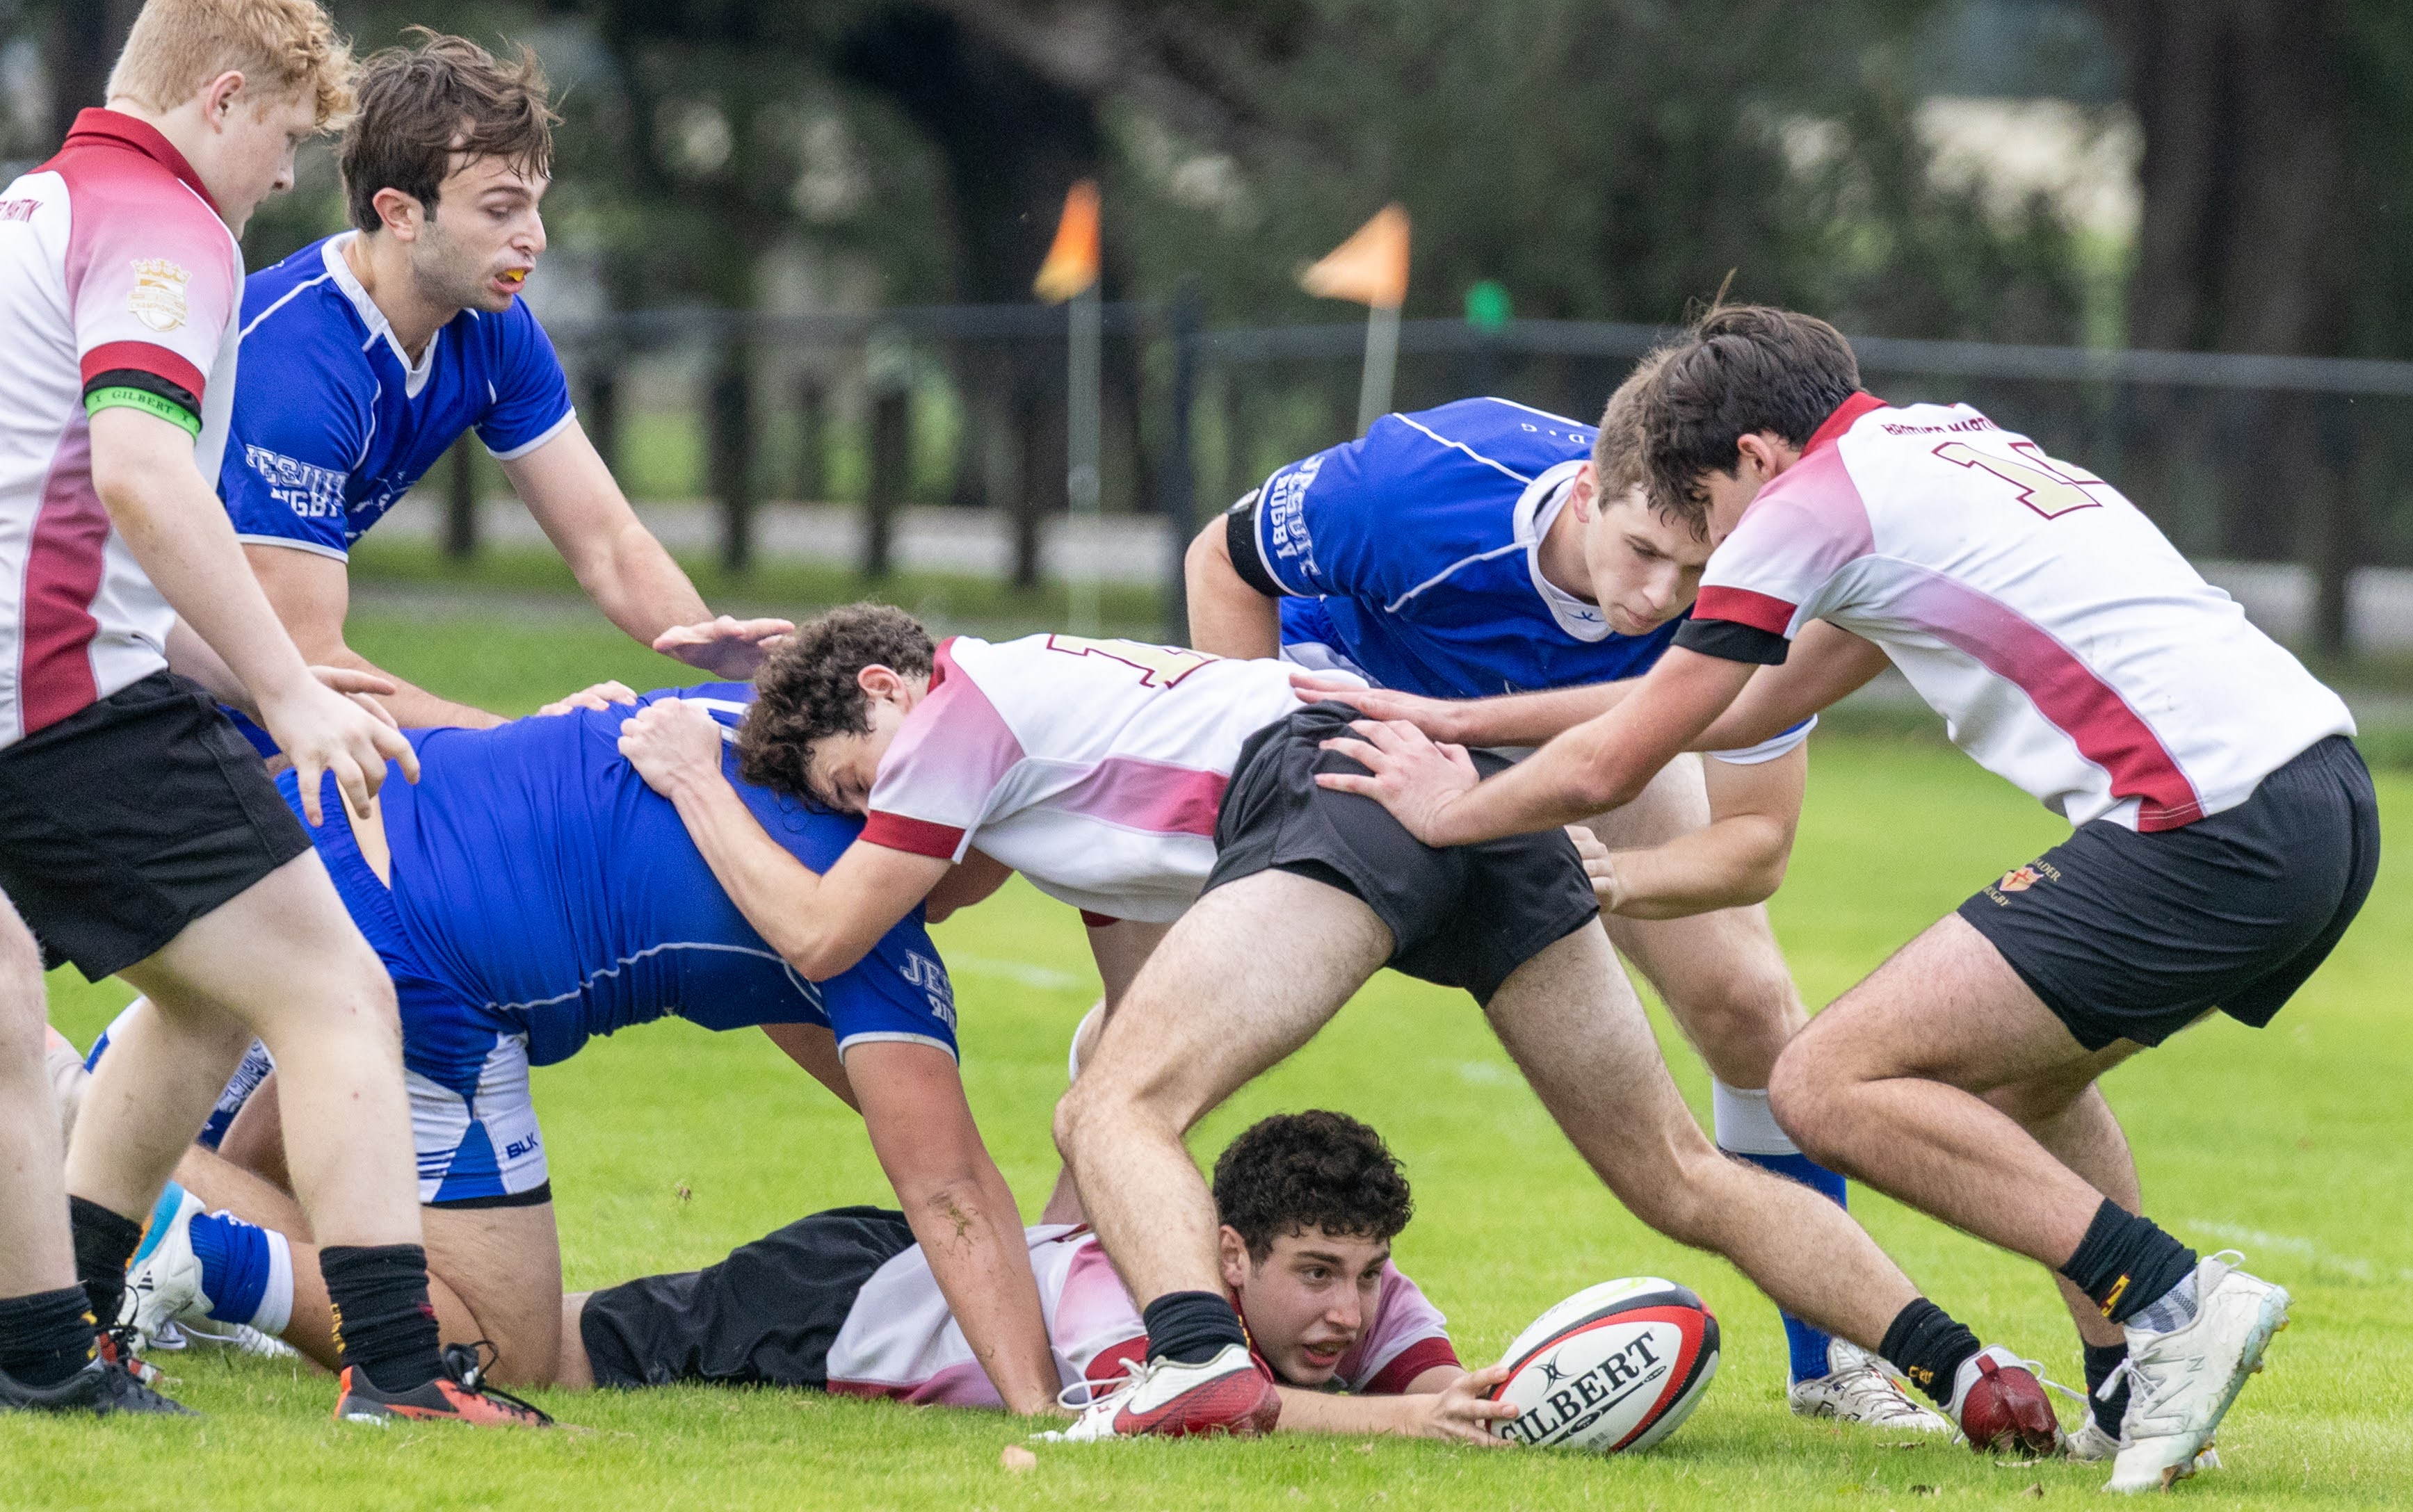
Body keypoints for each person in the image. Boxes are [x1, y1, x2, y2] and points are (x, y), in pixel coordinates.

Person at [1309, 305, 2375, 1493]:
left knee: (1819, 1081)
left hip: (2203, 823)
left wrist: (1441, 806)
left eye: (1706, 517)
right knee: (2026, 1081)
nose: (1708, 555)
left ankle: (2174, 1297)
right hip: (2319, 800)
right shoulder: (1939, 443)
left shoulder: (1801, 509)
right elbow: (1739, 708)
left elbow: (1619, 766)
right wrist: (1460, 719)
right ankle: (2131, 1390)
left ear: (1757, 457)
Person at [614, 608, 2059, 1449]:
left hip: (1333, 793)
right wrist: (776, 656)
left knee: (1107, 1110)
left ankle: (1192, 1369)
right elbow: (1109, 960)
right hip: (1457, 792)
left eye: (859, 780)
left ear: (889, 690)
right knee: (1674, 1165)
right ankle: (1965, 1364)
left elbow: (823, 933)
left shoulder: (957, 714)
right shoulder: (1042, 739)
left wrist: (693, 771)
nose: (878, 813)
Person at [0, 0, 537, 1424]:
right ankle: (402, 1372)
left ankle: (50, 1344)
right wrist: (296, 695)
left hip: (41, 676)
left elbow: (60, 527)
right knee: (332, 991)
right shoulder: (164, 224)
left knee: (182, 1000)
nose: (285, 179)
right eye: (288, 139)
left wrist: (254, 667)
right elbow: (141, 474)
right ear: (221, 97)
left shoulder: (33, 205)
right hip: (52, 705)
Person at [1181, 392, 1935, 1433]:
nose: (1659, 598)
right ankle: (1125, 1320)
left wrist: (1614, 880)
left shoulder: (1755, 585)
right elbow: (1223, 561)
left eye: (1694, 571)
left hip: (1585, 741)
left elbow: (1752, 847)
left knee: (1747, 1001)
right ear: (1587, 491)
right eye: (1639, 553)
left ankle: (1834, 1364)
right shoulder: (1423, 487)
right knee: (1177, 1012)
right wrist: (1253, 766)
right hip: (1363, 714)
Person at [107, 684, 1056, 1408]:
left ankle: (114, 1178)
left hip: (336, 829)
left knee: (340, 1220)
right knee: (511, 1350)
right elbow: (948, 1187)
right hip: (426, 957)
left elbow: (881, 1092)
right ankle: (165, 1227)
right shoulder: (869, 938)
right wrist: (1042, 1408)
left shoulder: (755, 723)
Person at [219, 33, 784, 734]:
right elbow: (308, 662)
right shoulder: (293, 364)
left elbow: (608, 543)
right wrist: (525, 744)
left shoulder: (494, 327)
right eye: (500, 209)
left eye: (536, 204)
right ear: (399, 213)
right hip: (146, 689)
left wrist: (711, 643)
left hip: (260, 684)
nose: (535, 237)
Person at [564, 1108, 1515, 1445]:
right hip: (831, 1306)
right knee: (544, 1343)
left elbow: (1449, 1392)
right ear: (1230, 1256)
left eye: (1363, 1274)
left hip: (935, 1263)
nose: (1347, 1311)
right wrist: (1404, 1418)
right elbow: (1220, 1407)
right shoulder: (1130, 1305)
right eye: (1315, 1274)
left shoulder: (1365, 1284)